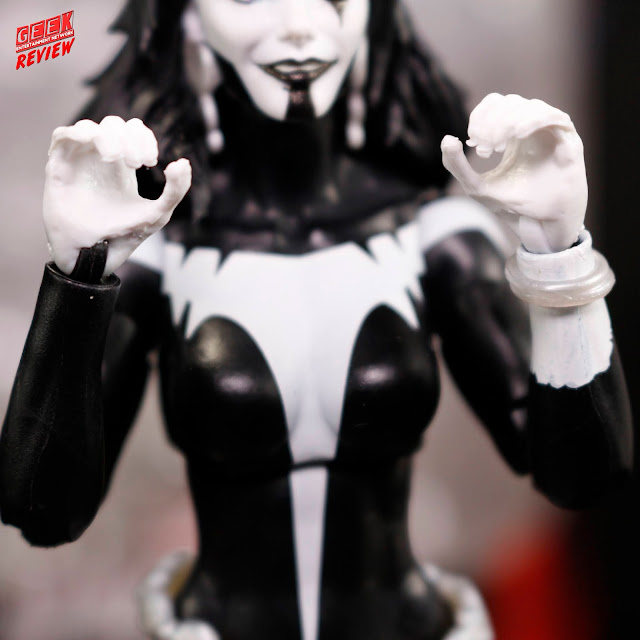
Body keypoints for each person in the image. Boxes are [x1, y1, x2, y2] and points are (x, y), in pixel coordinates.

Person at [0, 1, 632, 639]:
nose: (299, 24)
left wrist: (559, 251)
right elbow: (43, 512)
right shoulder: (157, 252)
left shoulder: (434, 236)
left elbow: (583, 475)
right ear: (189, 18)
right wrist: (77, 279)